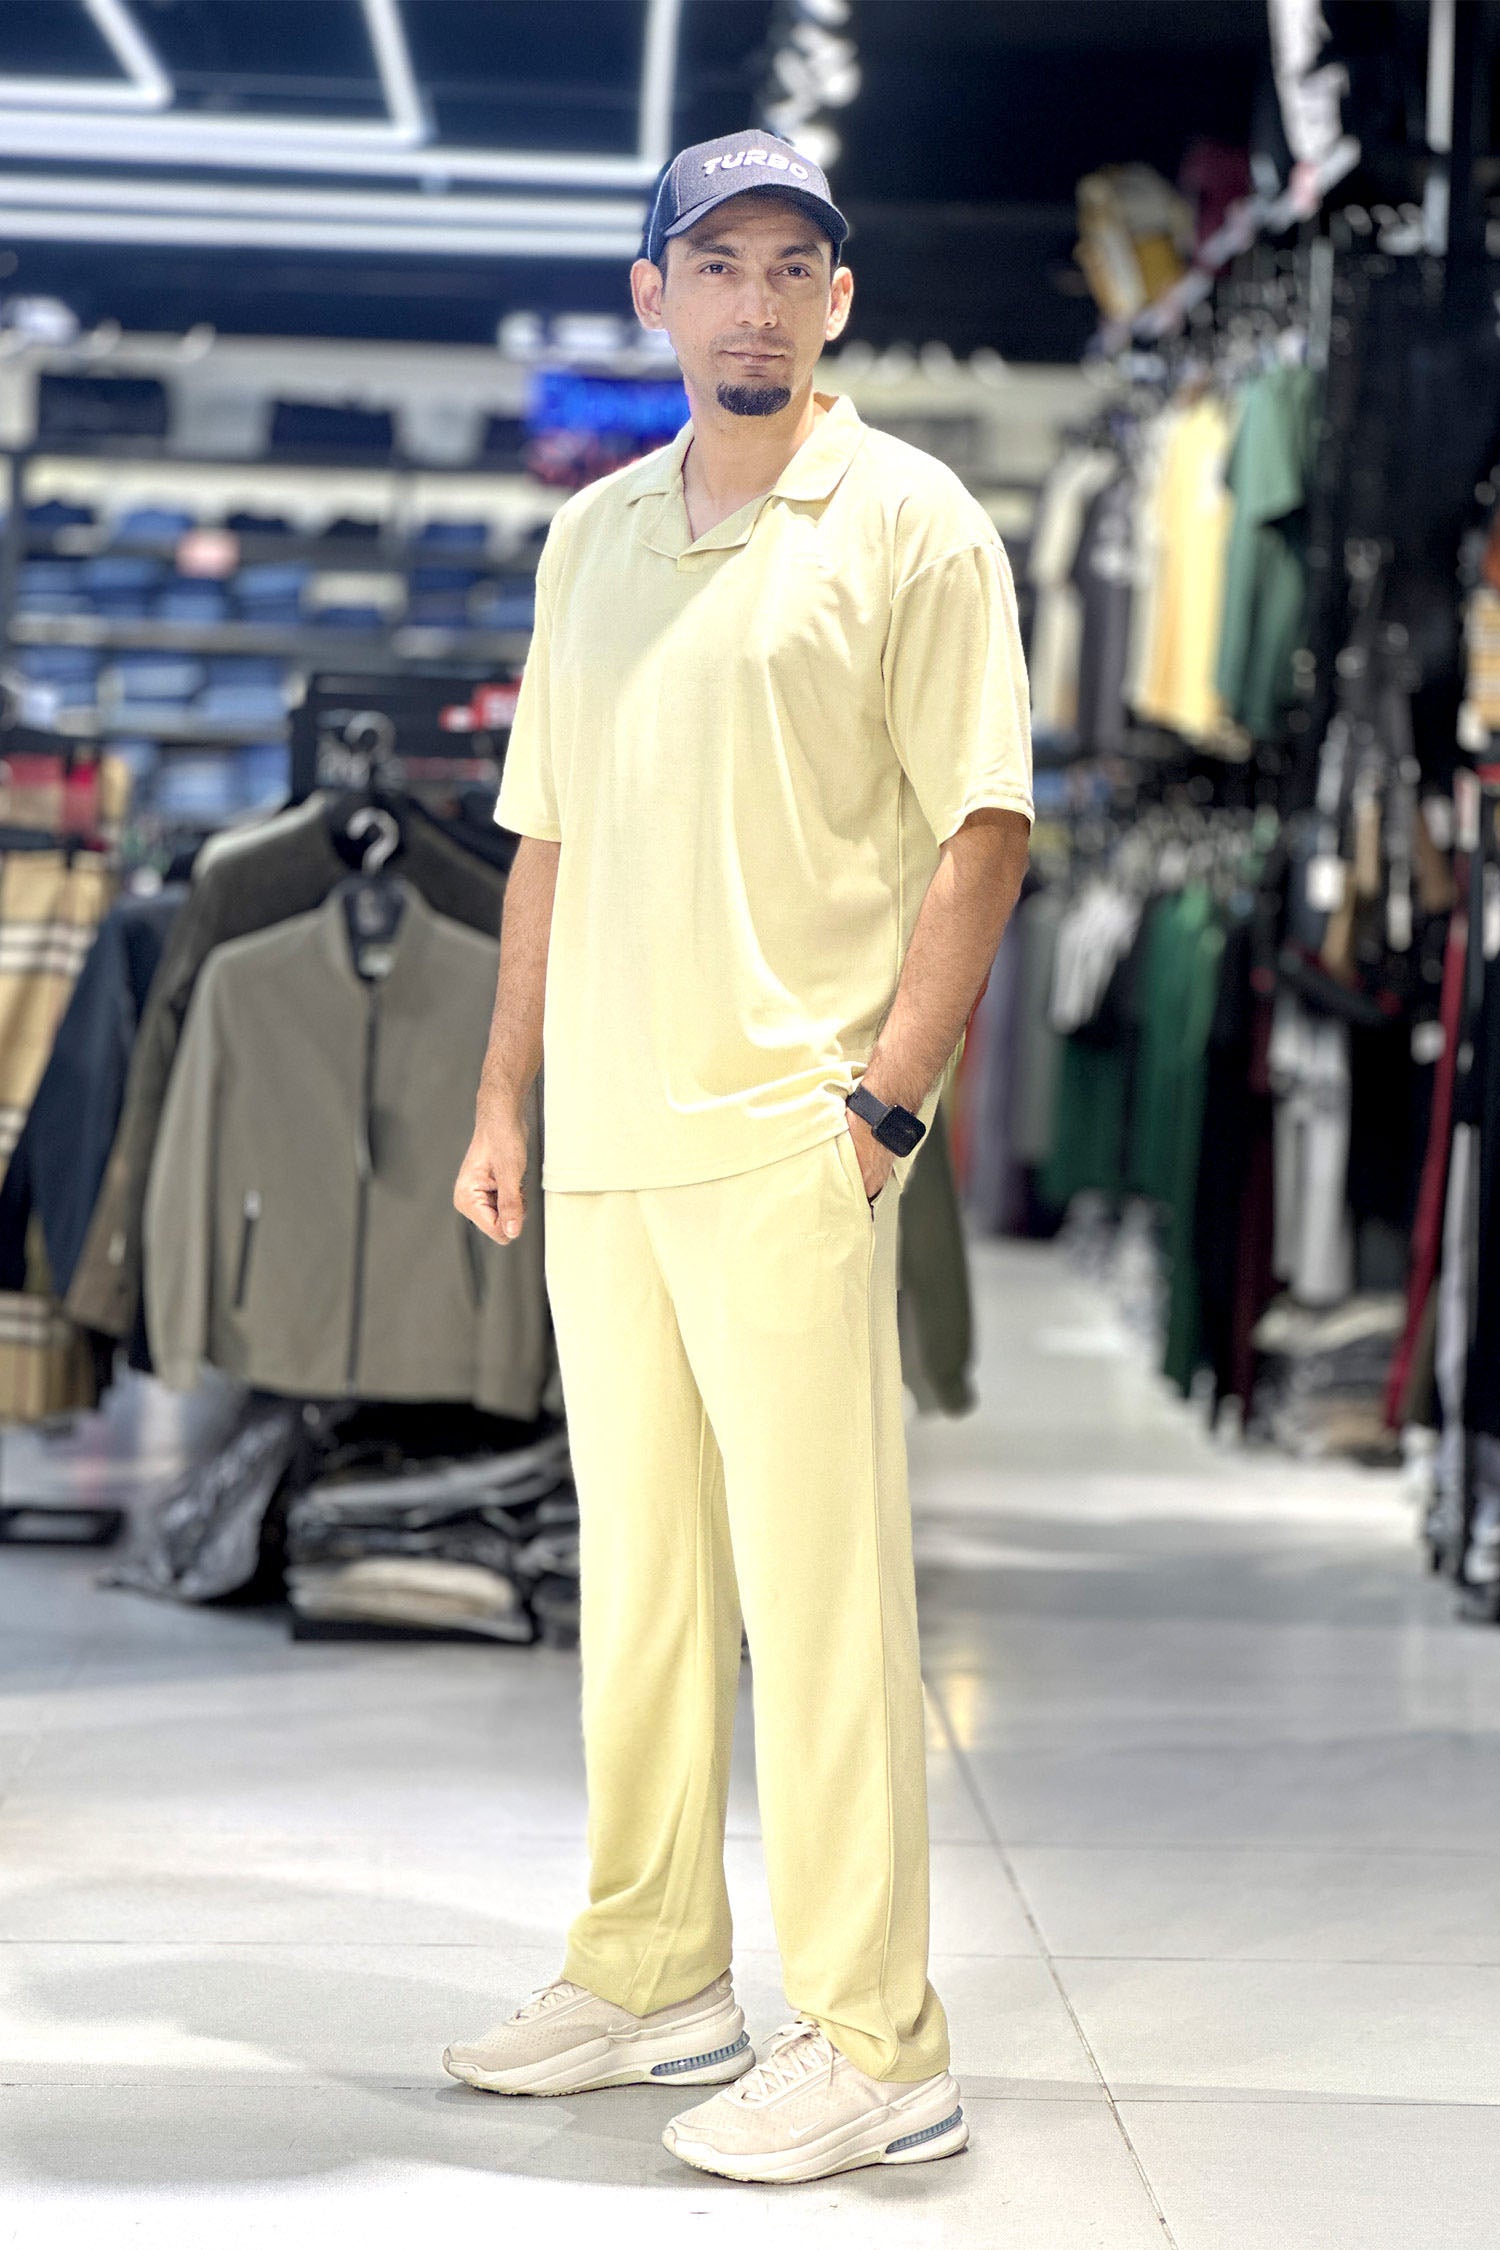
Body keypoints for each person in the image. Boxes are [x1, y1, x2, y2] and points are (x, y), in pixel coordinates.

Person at [445, 127, 1033, 2187]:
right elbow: (545, 835)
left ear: (839, 300)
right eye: (720, 266)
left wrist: (885, 1106)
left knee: (824, 1606)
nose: (758, 305)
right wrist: (505, 1098)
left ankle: (879, 2043)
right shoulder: (592, 536)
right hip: (605, 1147)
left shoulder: (916, 522)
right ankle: (653, 1970)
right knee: (647, 1593)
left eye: (795, 269)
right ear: (656, 298)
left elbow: (984, 828)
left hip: (790, 1142)